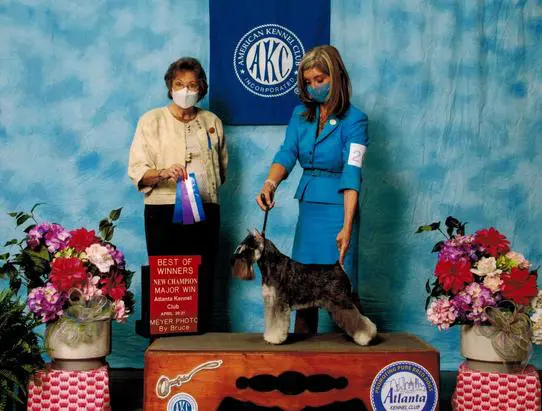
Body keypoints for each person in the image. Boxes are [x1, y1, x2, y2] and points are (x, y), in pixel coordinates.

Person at [256, 45, 369, 335]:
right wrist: (270, 183)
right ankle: (304, 355)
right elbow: (286, 153)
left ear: (337, 77)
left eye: (320, 79)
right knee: (300, 285)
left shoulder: (355, 120)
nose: (314, 86)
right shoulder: (300, 116)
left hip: (339, 208)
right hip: (309, 208)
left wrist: (346, 227)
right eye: (308, 81)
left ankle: (362, 348)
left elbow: (352, 173)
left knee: (341, 286)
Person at [128, 57, 228, 333]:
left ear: (202, 89)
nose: (186, 90)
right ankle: (167, 346)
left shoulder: (212, 122)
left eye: (192, 85)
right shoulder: (151, 121)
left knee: (203, 277)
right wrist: (161, 173)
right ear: (170, 87)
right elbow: (137, 170)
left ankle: (200, 342)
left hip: (206, 210)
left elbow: (221, 170)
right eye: (179, 84)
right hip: (162, 210)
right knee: (168, 282)